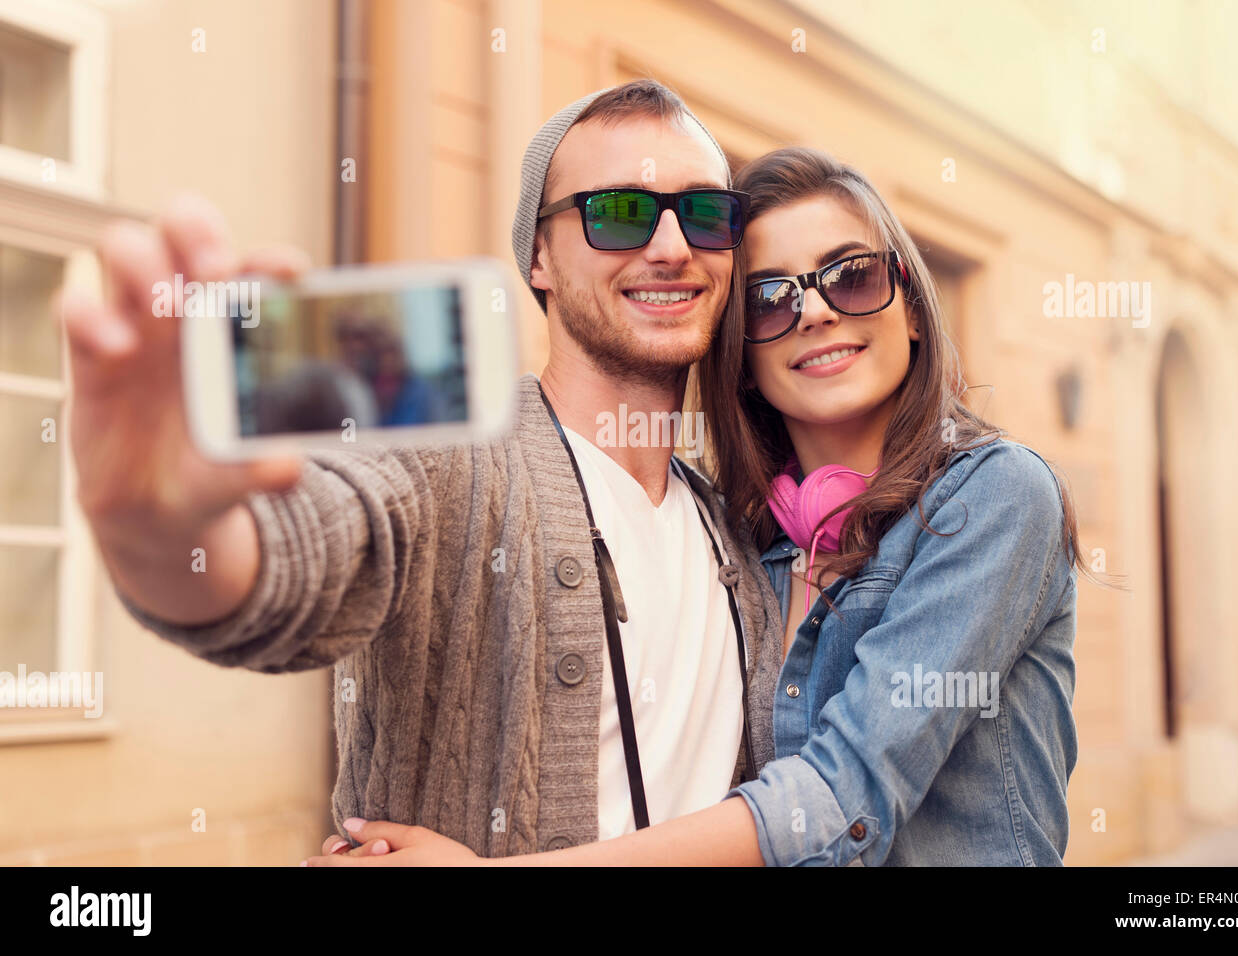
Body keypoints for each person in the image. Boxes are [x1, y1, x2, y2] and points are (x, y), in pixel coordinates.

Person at [57, 80, 786, 858]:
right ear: (537, 255)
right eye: (619, 213)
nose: (672, 246)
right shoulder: (448, 450)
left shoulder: (736, 538)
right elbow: (295, 562)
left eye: (707, 214)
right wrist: (156, 530)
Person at [309, 147, 1083, 866]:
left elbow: (843, 793)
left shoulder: (996, 496)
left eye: (849, 276)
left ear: (910, 309)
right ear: (741, 355)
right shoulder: (743, 542)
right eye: (772, 299)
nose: (814, 313)